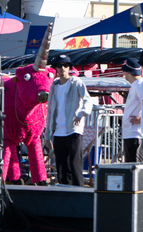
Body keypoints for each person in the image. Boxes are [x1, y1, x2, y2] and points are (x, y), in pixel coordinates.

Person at [44, 54, 90, 186]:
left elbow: (87, 99)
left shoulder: (76, 82)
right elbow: (50, 111)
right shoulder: (54, 86)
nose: (62, 68)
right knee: (62, 169)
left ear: (69, 68)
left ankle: (79, 195)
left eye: (65, 65)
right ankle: (65, 196)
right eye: (59, 65)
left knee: (75, 166)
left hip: (73, 130)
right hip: (58, 132)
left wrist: (81, 113)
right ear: (56, 69)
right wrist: (47, 135)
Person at [120, 60, 143, 162]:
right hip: (131, 133)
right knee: (130, 165)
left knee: (134, 166)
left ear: (128, 72)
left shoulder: (140, 85)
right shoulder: (136, 85)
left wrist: (141, 119)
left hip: (136, 134)